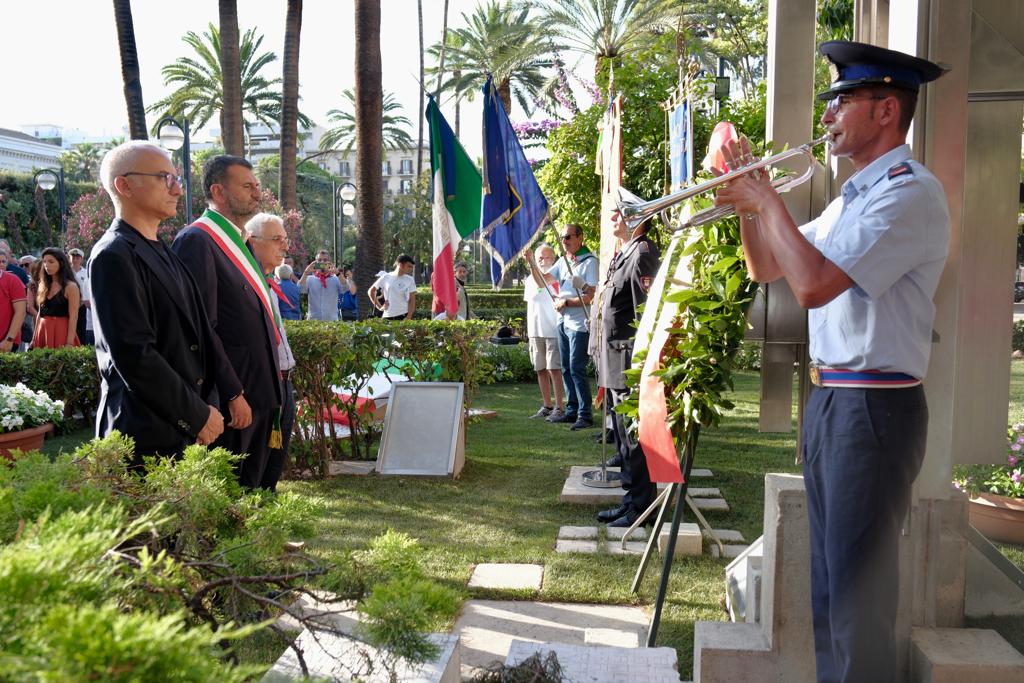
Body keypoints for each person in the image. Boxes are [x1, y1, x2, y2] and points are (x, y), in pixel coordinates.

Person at [714, 41, 949, 683]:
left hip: (874, 408)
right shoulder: (853, 198)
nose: (828, 115)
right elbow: (771, 268)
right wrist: (744, 207)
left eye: (841, 101)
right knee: (827, 593)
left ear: (885, 110)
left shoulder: (909, 194)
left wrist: (767, 202)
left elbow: (814, 286)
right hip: (835, 404)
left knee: (857, 602)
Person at [90, 141, 224, 463]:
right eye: (165, 178)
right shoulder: (113, 255)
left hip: (185, 429)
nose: (177, 189)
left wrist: (210, 406)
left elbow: (199, 336)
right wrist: (196, 415)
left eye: (177, 179)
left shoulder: (165, 250)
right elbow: (134, 354)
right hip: (143, 435)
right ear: (124, 185)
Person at [172, 154, 281, 489]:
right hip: (235, 393)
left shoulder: (239, 241)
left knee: (257, 477)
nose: (256, 193)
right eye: (247, 186)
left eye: (257, 186)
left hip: (261, 387)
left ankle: (263, 538)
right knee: (234, 482)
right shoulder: (198, 240)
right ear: (218, 192)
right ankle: (239, 543)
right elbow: (203, 328)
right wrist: (232, 392)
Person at [590, 209, 660, 528]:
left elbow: (646, 312)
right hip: (616, 356)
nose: (613, 219)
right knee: (622, 431)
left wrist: (641, 362)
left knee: (634, 433)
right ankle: (630, 499)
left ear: (637, 219)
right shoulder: (627, 252)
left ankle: (641, 505)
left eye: (620, 215)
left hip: (630, 357)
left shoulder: (643, 252)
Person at [247, 213, 297, 492]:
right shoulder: (246, 283)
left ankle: (270, 524)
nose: (285, 246)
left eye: (285, 239)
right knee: (256, 462)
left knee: (274, 463)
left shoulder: (268, 284)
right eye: (277, 239)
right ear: (252, 242)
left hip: (283, 382)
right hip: (263, 384)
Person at [545, 224, 598, 430]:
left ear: (580, 237)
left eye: (567, 237)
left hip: (579, 324)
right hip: (564, 321)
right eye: (562, 237)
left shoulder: (590, 262)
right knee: (566, 368)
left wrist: (566, 302)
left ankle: (585, 414)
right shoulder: (565, 260)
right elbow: (545, 280)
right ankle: (572, 410)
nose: (564, 241)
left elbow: (591, 296)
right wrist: (532, 262)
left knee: (577, 368)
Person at [522, 244, 565, 421]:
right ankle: (547, 405)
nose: (543, 261)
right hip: (535, 331)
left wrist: (531, 261)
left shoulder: (555, 277)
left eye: (547, 258)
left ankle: (560, 406)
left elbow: (542, 283)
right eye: (540, 258)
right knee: (540, 369)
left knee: (553, 369)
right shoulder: (529, 279)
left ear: (553, 259)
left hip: (552, 329)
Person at [32, 247, 80, 349]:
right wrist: (33, 339)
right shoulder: (43, 285)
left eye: (51, 261)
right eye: (44, 262)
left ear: (61, 263)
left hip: (61, 331)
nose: (46, 265)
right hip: (42, 330)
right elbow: (39, 314)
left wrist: (70, 343)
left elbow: (73, 317)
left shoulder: (70, 286)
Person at [300, 250, 344, 321]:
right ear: (315, 263)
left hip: (331, 322)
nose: (322, 262)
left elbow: (346, 289)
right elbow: (300, 290)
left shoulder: (336, 279)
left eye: (325, 260)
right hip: (313, 321)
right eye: (319, 260)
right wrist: (305, 273)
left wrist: (338, 274)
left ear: (329, 263)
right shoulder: (309, 279)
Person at [369, 255, 417, 321]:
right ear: (400, 265)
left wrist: (408, 317)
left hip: (404, 315)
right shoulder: (386, 277)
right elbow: (371, 291)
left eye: (411, 267)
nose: (411, 269)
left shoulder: (410, 279)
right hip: (387, 316)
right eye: (409, 266)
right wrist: (379, 307)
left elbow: (412, 300)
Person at [0, 250, 27, 353]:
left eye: (3, 261)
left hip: (5, 342)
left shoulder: (13, 280)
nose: (1, 264)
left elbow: (20, 312)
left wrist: (9, 340)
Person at [68, 247, 93, 345]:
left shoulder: (86, 273)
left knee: (82, 330)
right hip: (69, 305)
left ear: (81, 259)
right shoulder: (66, 273)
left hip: (83, 305)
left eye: (77, 258)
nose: (75, 260)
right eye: (72, 257)